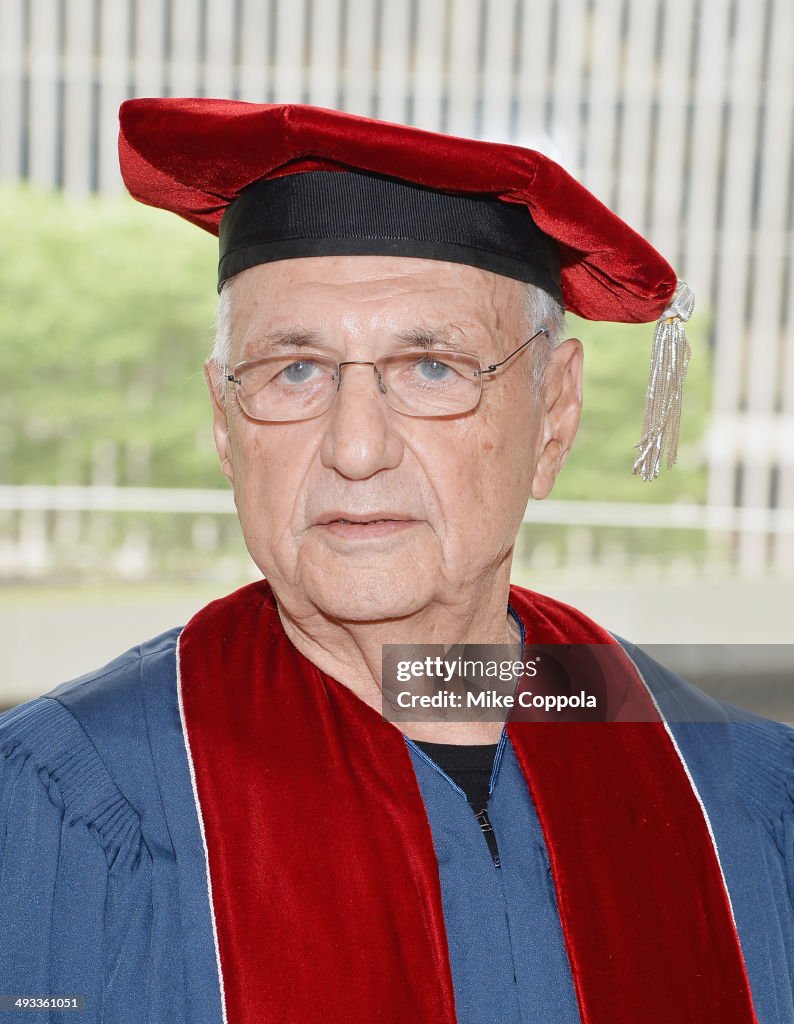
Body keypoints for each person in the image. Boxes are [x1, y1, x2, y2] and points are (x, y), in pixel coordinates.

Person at [0, 98, 791, 1024]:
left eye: (432, 368)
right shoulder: (68, 803)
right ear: (224, 421)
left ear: (556, 417)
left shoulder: (729, 791)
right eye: (294, 370)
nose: (357, 447)